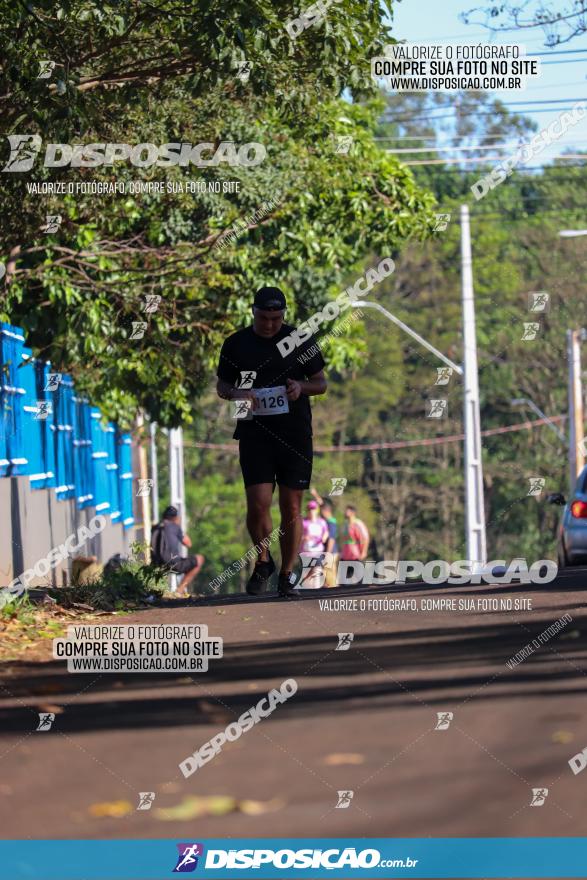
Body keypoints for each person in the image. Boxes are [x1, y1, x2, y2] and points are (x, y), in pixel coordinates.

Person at [216, 286, 327, 598]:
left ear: (284, 315)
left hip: (295, 435)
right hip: (255, 434)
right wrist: (237, 393)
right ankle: (263, 561)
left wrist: (300, 388)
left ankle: (288, 573)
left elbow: (321, 383)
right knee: (258, 503)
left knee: (291, 505)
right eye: (264, 317)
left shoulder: (300, 340)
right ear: (253, 312)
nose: (270, 324)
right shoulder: (236, 344)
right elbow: (223, 385)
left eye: (276, 319)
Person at [150, 506, 205, 597]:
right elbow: (188, 543)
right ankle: (179, 590)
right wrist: (179, 527)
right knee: (200, 559)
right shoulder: (175, 526)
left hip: (155, 564)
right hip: (173, 563)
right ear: (175, 517)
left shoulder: (155, 527)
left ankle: (156, 590)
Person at [310, 487, 339, 588]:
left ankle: (334, 591)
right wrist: (315, 494)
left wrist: (327, 553)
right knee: (327, 574)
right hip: (327, 551)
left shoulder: (331, 522)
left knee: (330, 574)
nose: (320, 512)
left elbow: (331, 539)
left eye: (322, 510)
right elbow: (321, 503)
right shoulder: (326, 520)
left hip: (331, 552)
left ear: (326, 510)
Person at [299, 500, 329, 589]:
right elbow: (297, 536)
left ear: (317, 510)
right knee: (307, 573)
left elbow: (326, 532)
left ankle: (315, 589)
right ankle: (308, 588)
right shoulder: (303, 522)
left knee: (316, 570)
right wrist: (304, 538)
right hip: (306, 551)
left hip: (318, 551)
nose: (311, 511)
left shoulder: (322, 522)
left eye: (313, 509)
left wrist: (324, 537)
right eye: (310, 509)